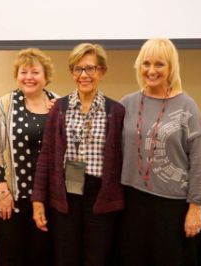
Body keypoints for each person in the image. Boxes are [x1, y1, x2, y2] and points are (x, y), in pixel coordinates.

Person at [31, 43, 125, 266]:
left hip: (100, 196)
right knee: (66, 257)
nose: (84, 75)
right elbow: (46, 156)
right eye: (77, 69)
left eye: (90, 69)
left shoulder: (116, 111)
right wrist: (38, 201)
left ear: (102, 71)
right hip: (65, 195)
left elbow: (122, 159)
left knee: (97, 258)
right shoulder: (59, 108)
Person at [119, 38, 201, 266]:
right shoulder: (127, 103)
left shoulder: (187, 106)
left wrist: (195, 208)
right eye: (146, 63)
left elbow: (198, 162)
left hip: (171, 206)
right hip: (131, 202)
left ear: (171, 68)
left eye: (159, 64)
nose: (151, 70)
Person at [0, 48, 57, 266]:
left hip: (47, 199)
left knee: (43, 255)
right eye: (23, 72)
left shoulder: (58, 103)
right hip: (11, 198)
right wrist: (1, 190)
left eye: (35, 72)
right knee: (11, 256)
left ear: (46, 77)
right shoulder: (5, 105)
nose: (29, 77)